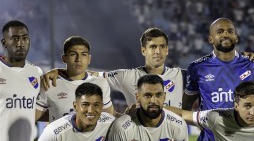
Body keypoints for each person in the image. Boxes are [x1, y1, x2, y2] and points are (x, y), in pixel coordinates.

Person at [182, 18, 254, 141]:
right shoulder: (197, 68)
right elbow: (186, 105)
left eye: (230, 31)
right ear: (210, 38)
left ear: (236, 37)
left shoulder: (253, 66)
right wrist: (201, 122)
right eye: (220, 31)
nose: (226, 34)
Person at [41, 28, 184, 111]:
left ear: (167, 50)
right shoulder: (126, 76)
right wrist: (60, 71)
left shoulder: (181, 75)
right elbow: (87, 73)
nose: (157, 51)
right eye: (153, 47)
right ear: (143, 50)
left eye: (162, 47)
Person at [106, 74, 189, 141]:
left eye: (158, 95)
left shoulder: (178, 125)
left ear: (164, 96)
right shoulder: (121, 126)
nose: (153, 101)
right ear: (137, 97)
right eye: (147, 95)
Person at [35, 36, 114, 121]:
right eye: (73, 54)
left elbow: (109, 118)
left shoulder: (101, 83)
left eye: (83, 54)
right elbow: (32, 117)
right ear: (64, 58)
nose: (78, 59)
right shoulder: (49, 84)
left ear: (89, 59)